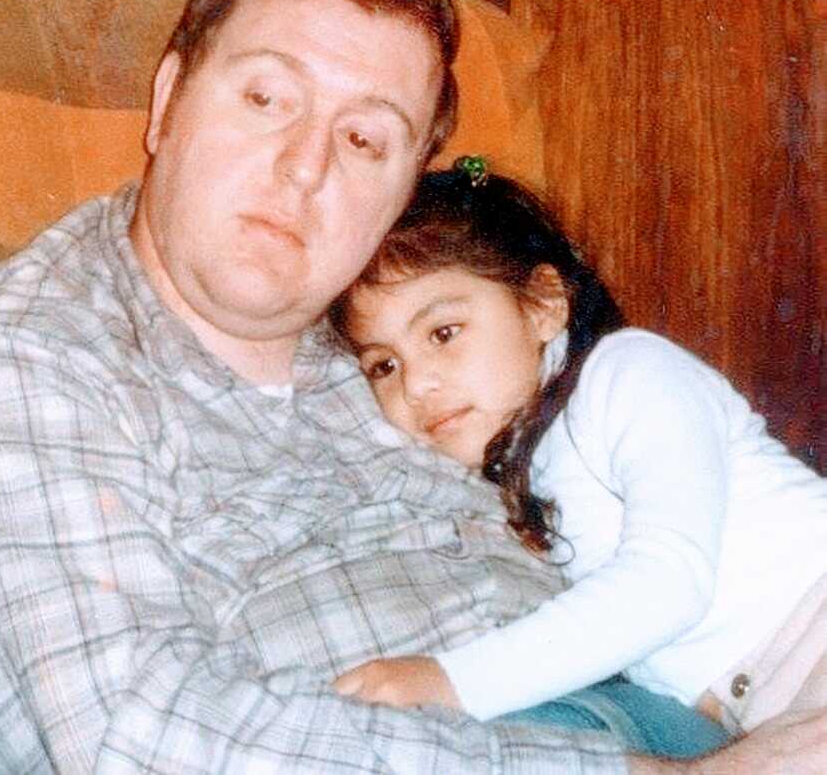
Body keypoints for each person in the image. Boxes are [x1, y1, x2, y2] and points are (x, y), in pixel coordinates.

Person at [0, 0, 823, 775]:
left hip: (684, 713)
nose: (304, 165)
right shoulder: (23, 365)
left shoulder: (393, 322)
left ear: (402, 194)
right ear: (167, 106)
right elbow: (136, 738)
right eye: (266, 98)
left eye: (364, 138)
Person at [328, 162, 827, 740]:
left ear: (543, 304)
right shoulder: (513, 467)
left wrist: (451, 681)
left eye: (443, 333)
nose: (416, 386)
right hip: (766, 703)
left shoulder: (630, 372)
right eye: (384, 366)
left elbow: (668, 585)